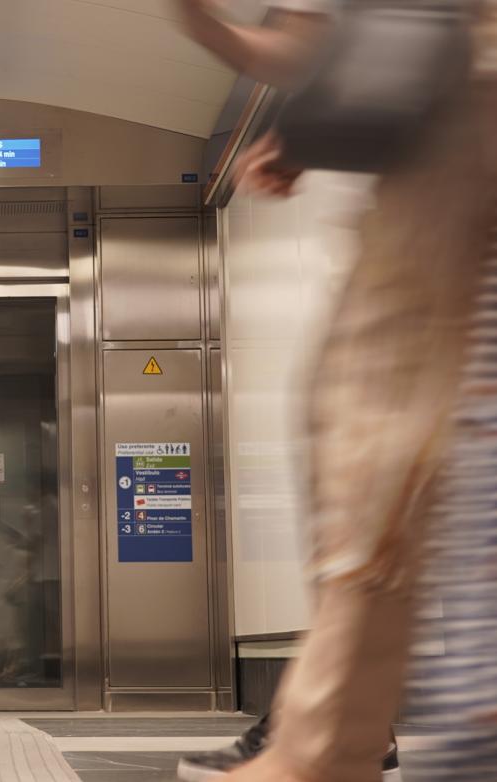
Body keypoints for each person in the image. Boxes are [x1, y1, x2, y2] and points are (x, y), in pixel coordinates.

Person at [174, 0, 497, 780]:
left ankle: (327, 745)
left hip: (449, 155)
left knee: (376, 431)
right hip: (444, 147)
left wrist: (207, 27)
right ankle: (336, 737)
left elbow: (321, 41)